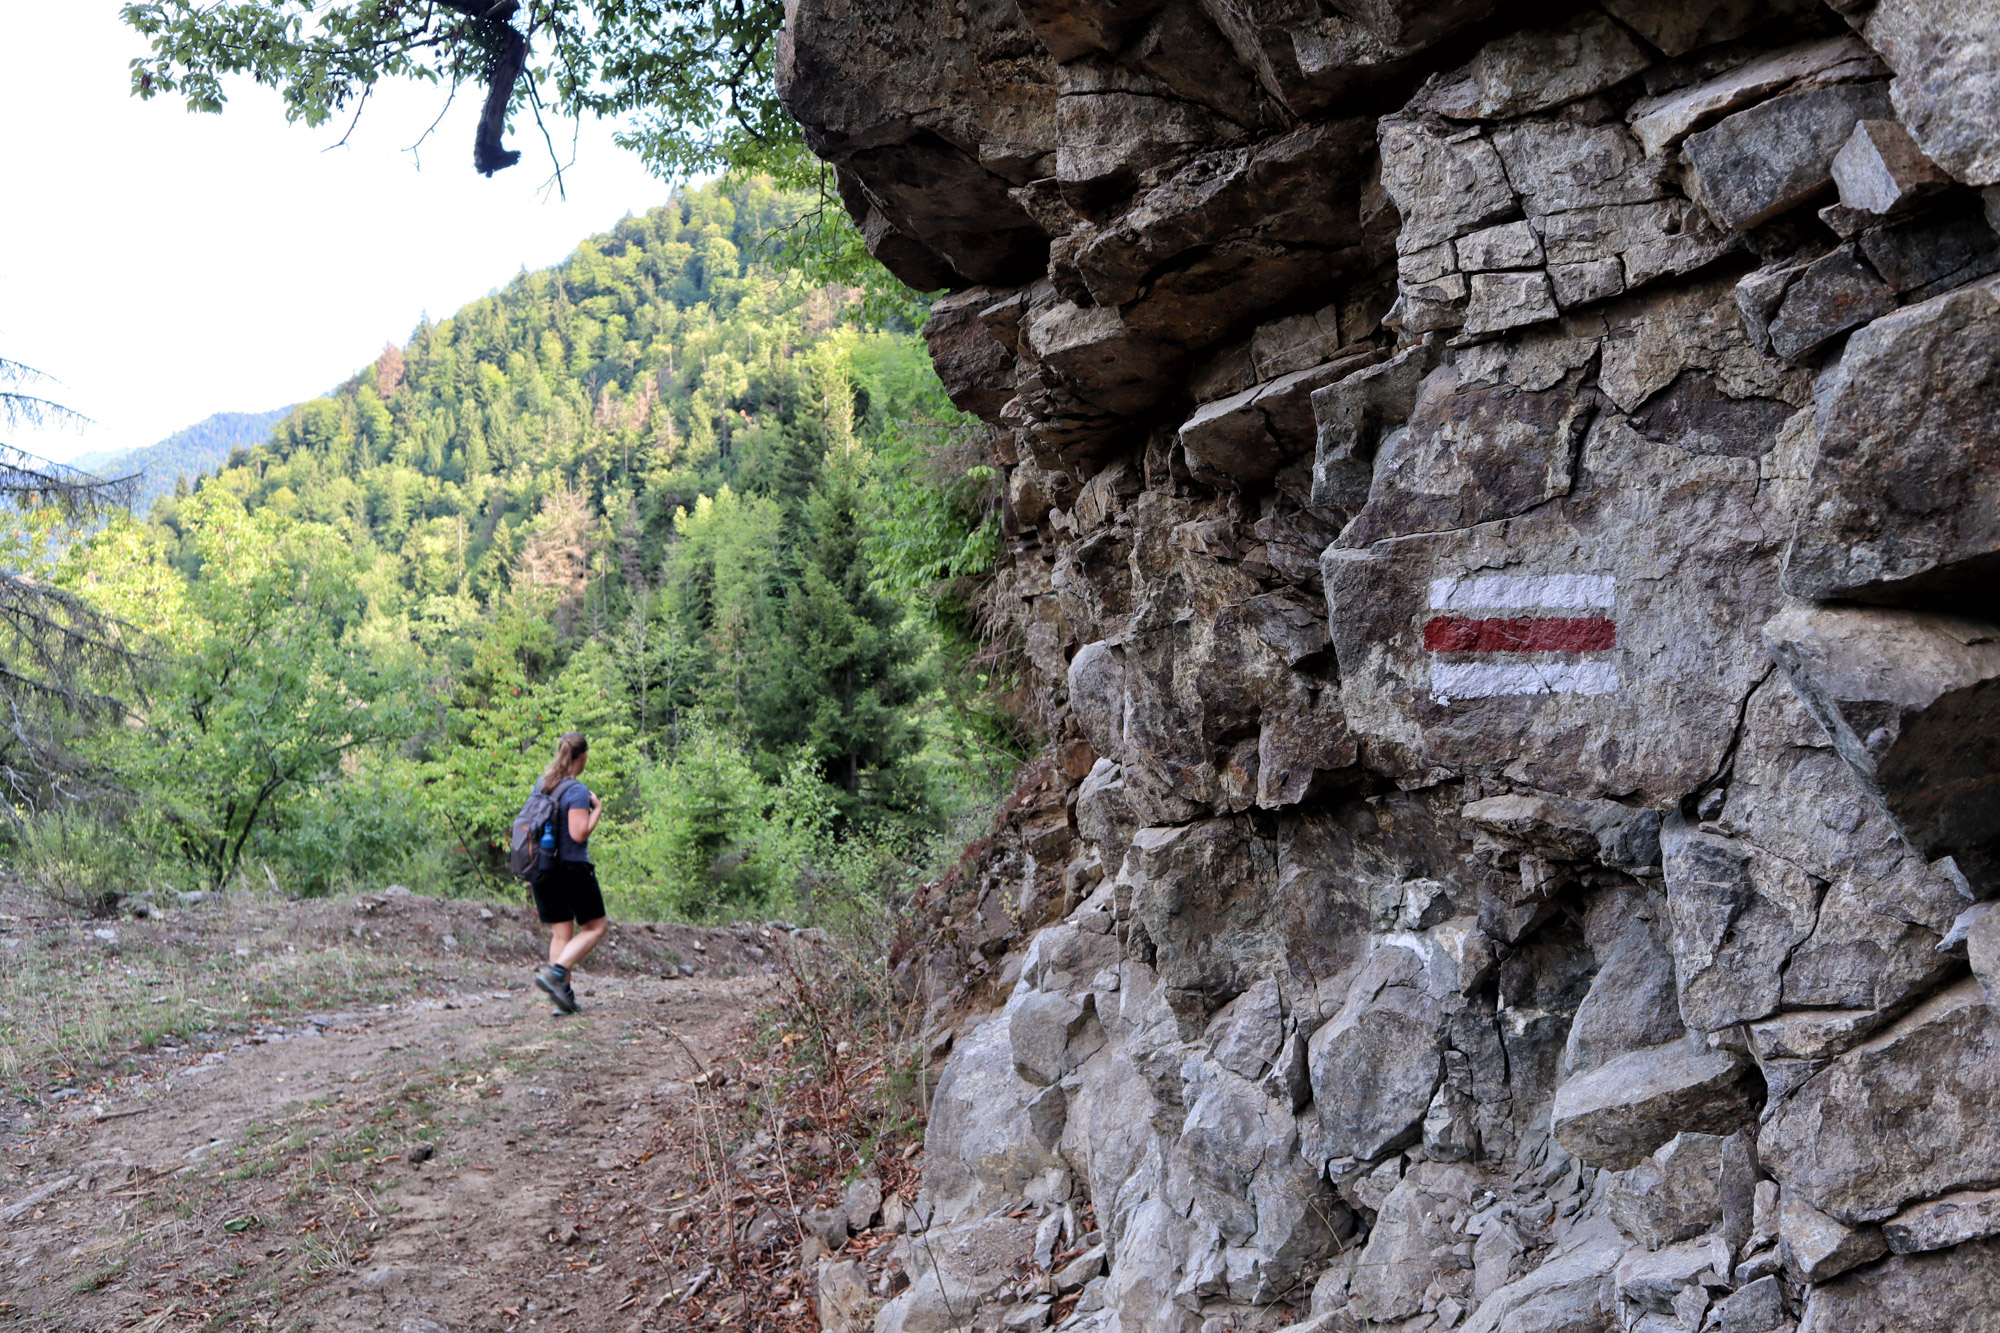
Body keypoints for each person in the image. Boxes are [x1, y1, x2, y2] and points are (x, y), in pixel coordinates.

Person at [528, 731, 607, 1014]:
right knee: (595, 927)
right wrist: (596, 809)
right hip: (571, 870)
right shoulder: (576, 790)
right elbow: (578, 833)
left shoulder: (542, 785)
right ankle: (557, 973)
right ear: (583, 756)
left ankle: (563, 999)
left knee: (561, 933)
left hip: (543, 870)